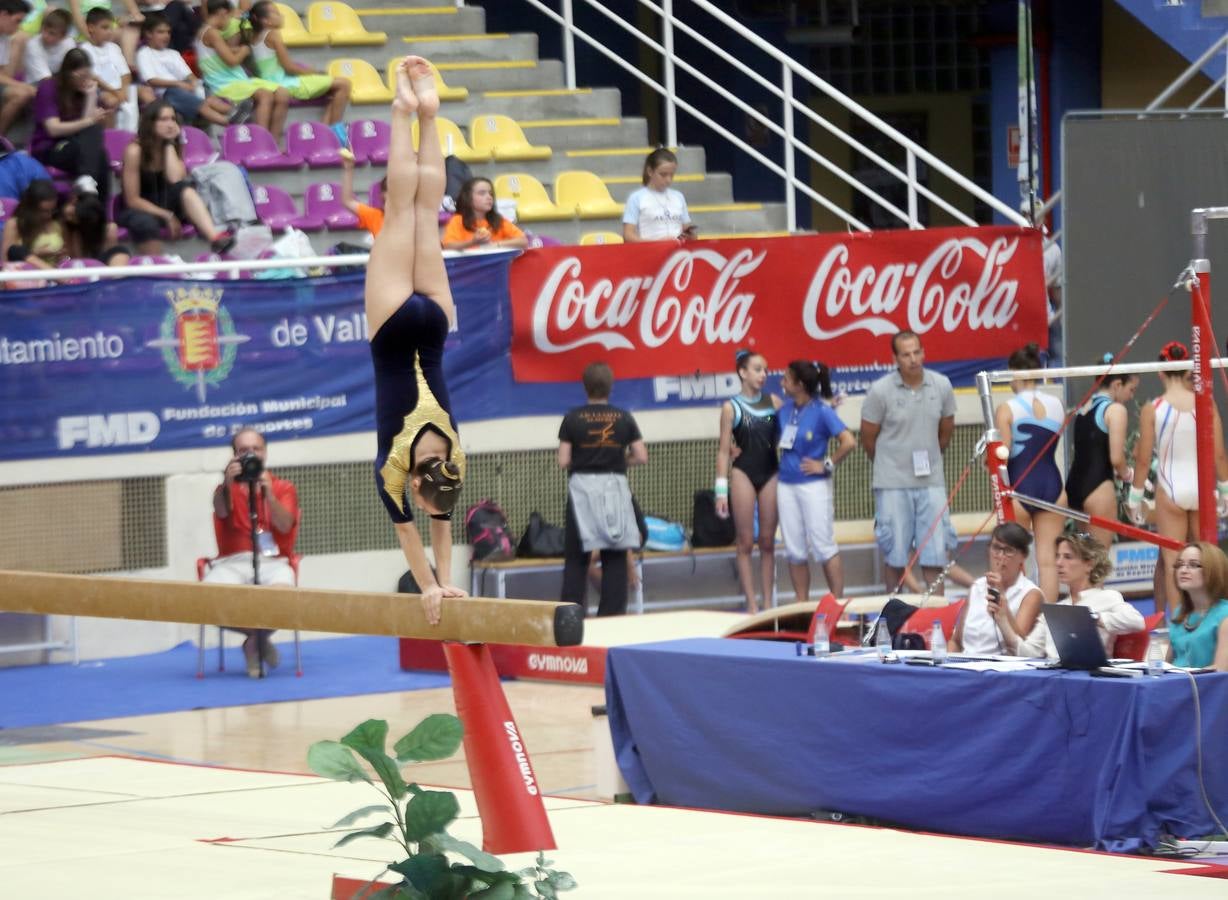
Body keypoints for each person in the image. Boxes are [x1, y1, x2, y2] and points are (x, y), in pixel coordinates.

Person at [368, 56, 470, 626]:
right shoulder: (392, 469)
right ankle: (403, 111)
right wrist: (434, 586)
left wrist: (445, 581)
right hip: (390, 330)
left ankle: (429, 115)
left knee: (425, 210)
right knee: (399, 209)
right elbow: (415, 532)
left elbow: (439, 518)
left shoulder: (453, 457)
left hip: (434, 324)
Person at [1128, 341, 1228, 616]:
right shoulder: (1205, 402)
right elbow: (1219, 454)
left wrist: (1134, 499)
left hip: (1170, 488)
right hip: (1202, 487)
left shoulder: (1153, 407)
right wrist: (1225, 490)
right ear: (1186, 370)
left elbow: (1143, 459)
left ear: (1160, 372)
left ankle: (1177, 623)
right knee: (1208, 557)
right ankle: (1215, 617)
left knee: (1175, 559)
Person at [860, 330, 956, 594]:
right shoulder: (880, 391)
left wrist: (932, 456)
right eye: (906, 354)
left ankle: (937, 617)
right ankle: (893, 616)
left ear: (923, 352)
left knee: (936, 553)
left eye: (917, 352)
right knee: (895, 555)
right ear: (895, 358)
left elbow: (946, 430)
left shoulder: (942, 385)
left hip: (931, 481)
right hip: (892, 483)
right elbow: (868, 438)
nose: (913, 359)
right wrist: (891, 464)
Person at [204, 427, 299, 678]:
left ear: (265, 453)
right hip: (231, 562)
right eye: (243, 450)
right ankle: (259, 639)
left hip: (272, 561)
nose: (250, 455)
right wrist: (227, 482)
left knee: (286, 600)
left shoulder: (282, 487)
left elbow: (285, 524)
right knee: (205, 601)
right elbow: (222, 511)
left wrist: (268, 494)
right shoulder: (224, 488)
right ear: (234, 456)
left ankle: (252, 645)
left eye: (255, 449)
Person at [557, 362, 647, 617]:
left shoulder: (572, 418)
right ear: (611, 386)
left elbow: (563, 460)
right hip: (614, 488)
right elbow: (641, 455)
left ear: (585, 386)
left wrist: (584, 460)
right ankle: (611, 620)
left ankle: (570, 621)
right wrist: (620, 460)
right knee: (616, 558)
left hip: (581, 491)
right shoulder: (624, 417)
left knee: (576, 559)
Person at [994, 342, 1066, 610]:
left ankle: (1018, 615)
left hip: (1019, 485)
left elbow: (1005, 452)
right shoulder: (1057, 404)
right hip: (1052, 484)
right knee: (1047, 559)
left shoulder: (1007, 408)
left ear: (1014, 373)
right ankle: (1048, 619)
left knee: (1015, 558)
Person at [993, 532, 1144, 660]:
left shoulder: (1108, 597)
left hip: (1089, 679)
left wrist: (1092, 617)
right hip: (1055, 679)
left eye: (1068, 557)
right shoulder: (1056, 609)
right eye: (1057, 556)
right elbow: (1026, 653)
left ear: (1089, 564)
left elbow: (1137, 622)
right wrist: (1002, 619)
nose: (1058, 563)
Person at [776, 359, 855, 602]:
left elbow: (848, 441)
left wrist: (826, 464)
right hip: (786, 484)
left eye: (787, 379)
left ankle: (837, 601)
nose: (782, 383)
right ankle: (802, 604)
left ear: (800, 385)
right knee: (794, 549)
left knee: (822, 544)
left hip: (813, 486)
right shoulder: (784, 410)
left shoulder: (822, 411)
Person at [118, 101, 234, 255]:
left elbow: (176, 180)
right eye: (164, 119)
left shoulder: (172, 147)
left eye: (173, 119)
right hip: (140, 208)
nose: (170, 124)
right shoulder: (135, 150)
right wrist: (166, 215)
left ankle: (215, 238)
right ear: (150, 123)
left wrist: (169, 144)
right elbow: (132, 200)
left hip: (167, 201)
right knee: (146, 223)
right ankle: (155, 267)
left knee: (186, 190)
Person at [714, 349, 780, 614]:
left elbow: (790, 431)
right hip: (743, 472)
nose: (763, 374)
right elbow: (723, 449)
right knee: (745, 542)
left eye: (765, 369)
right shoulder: (731, 408)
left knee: (767, 541)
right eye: (757, 369)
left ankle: (768, 602)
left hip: (770, 471)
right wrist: (720, 491)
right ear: (742, 372)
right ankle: (751, 605)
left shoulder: (774, 402)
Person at [1066, 357, 1138, 549]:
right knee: (1097, 564)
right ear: (1117, 384)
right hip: (1098, 488)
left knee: (1082, 561)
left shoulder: (1084, 406)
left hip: (1074, 486)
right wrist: (1128, 474)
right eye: (1131, 389)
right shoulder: (1115, 410)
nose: (1131, 396)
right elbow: (1116, 458)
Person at [243, 1, 350, 126]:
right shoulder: (272, 35)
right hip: (284, 83)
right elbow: (289, 67)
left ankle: (326, 132)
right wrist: (313, 72)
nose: (281, 16)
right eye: (276, 13)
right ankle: (336, 132)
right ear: (267, 21)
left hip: (270, 82)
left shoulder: (251, 36)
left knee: (334, 92)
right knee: (344, 84)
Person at [29, 47, 113, 202]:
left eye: (87, 75)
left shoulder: (83, 89)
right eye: (80, 76)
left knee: (100, 154)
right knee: (95, 143)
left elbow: (87, 127)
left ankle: (91, 197)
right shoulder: (49, 87)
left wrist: (90, 95)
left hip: (76, 145)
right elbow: (53, 129)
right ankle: (96, 203)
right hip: (51, 148)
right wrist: (89, 120)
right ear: (68, 73)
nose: (84, 80)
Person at [196, 0, 288, 141]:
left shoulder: (206, 32)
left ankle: (273, 141)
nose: (229, 23)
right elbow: (232, 61)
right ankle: (261, 142)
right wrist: (244, 50)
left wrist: (235, 49)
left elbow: (221, 52)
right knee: (265, 95)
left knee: (282, 92)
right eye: (230, 17)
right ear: (222, 13)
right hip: (223, 83)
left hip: (236, 80)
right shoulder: (212, 33)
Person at [949, 522, 1044, 655]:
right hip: (966, 666)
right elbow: (956, 641)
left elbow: (1022, 646)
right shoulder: (977, 587)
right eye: (996, 548)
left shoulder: (1031, 594)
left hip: (1000, 670)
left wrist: (1002, 598)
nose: (1000, 556)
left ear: (1023, 556)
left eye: (1008, 550)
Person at [136, 13, 244, 127]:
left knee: (208, 95)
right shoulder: (144, 53)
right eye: (160, 32)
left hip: (185, 89)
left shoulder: (173, 53)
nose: (166, 36)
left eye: (168, 32)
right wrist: (178, 84)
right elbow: (151, 80)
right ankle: (228, 122)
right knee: (190, 99)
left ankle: (235, 112)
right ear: (148, 33)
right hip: (166, 93)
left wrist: (194, 84)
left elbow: (188, 75)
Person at [1168, 542, 1228, 671]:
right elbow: (1163, 664)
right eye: (1180, 565)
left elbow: (1221, 670)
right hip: (1176, 686)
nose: (1183, 570)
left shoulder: (1225, 615)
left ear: (1213, 570)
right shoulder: (1179, 613)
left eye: (1193, 565)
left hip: (1208, 688)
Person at [622, 147, 696, 243]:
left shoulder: (678, 196)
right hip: (651, 252)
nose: (668, 180)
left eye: (671, 175)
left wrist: (690, 234)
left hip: (677, 253)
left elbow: (687, 228)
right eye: (663, 174)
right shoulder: (637, 198)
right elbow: (628, 235)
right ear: (650, 172)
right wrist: (657, 244)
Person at [79, 7, 134, 128]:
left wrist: (123, 91)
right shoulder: (84, 49)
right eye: (105, 28)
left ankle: (136, 134)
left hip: (119, 89)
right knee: (111, 100)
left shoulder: (114, 47)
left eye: (111, 27)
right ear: (91, 27)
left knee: (146, 92)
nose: (110, 31)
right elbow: (93, 78)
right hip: (100, 89)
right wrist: (115, 92)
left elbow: (125, 73)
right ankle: (112, 137)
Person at [441, 176, 527, 251]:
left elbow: (523, 241)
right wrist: (473, 242)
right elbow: (448, 246)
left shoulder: (498, 220)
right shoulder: (457, 220)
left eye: (491, 193)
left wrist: (496, 245)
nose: (489, 197)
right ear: (467, 198)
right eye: (482, 193)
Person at [1, 177, 65, 267]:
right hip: (25, 277)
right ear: (31, 208)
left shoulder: (56, 223)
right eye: (43, 211)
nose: (49, 215)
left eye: (52, 210)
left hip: (55, 274)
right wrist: (35, 254)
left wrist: (61, 255)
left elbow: (67, 257)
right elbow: (6, 261)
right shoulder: (15, 224)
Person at [62, 183, 125, 263]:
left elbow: (108, 258)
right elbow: (75, 260)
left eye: (74, 216)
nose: (69, 211)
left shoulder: (109, 229)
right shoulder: (71, 228)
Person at [0, 0, 36, 138]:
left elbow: (1, 73)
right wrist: (21, 85)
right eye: (17, 21)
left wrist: (25, 87)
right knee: (22, 91)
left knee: (24, 93)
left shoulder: (4, 39)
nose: (19, 27)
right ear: (3, 15)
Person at [339, 149, 384, 239]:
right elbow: (347, 201)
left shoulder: (413, 216)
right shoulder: (375, 216)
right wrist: (348, 169)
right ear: (382, 195)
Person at [23, 8, 73, 83]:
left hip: (58, 81)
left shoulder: (69, 43)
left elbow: (73, 70)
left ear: (63, 36)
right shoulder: (33, 45)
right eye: (44, 29)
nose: (45, 35)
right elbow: (45, 78)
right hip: (36, 85)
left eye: (52, 33)